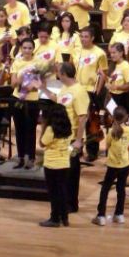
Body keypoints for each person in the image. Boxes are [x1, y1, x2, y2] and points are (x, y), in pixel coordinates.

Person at [36, 61, 90, 214]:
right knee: (65, 173)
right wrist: (42, 88)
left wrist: (79, 140)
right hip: (64, 136)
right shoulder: (66, 88)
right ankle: (64, 203)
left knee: (71, 173)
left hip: (73, 138)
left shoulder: (79, 91)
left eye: (58, 71)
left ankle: (71, 204)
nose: (56, 74)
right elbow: (57, 100)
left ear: (64, 74)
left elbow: (82, 117)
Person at [93, 107, 129, 226]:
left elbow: (108, 146)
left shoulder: (111, 131)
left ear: (113, 117)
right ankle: (119, 215)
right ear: (125, 117)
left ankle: (101, 216)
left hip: (113, 165)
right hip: (125, 164)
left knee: (105, 189)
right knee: (121, 189)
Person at [73, 26, 108, 161]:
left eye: (86, 37)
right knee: (77, 120)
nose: (83, 39)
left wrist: (97, 92)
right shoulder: (76, 51)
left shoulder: (100, 53)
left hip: (90, 90)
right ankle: (77, 148)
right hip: (76, 89)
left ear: (92, 38)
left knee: (90, 122)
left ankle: (92, 151)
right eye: (81, 36)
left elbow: (103, 74)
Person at [38, 105, 72, 227]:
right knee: (62, 191)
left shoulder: (50, 130)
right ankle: (65, 217)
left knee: (53, 193)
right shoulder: (68, 129)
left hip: (52, 165)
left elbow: (41, 143)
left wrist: (43, 126)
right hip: (65, 164)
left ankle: (54, 219)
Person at [9, 39, 41, 170]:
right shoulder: (17, 62)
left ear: (33, 49)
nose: (27, 50)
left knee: (30, 129)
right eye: (24, 48)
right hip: (18, 98)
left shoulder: (38, 62)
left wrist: (30, 85)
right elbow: (13, 84)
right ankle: (21, 157)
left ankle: (31, 158)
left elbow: (39, 83)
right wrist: (21, 78)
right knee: (19, 128)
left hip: (32, 99)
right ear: (21, 49)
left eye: (29, 48)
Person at [106, 43, 129, 111]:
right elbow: (111, 81)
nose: (111, 55)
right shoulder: (113, 64)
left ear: (121, 53)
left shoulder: (125, 66)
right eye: (111, 53)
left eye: (114, 53)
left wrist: (117, 87)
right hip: (112, 96)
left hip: (122, 98)